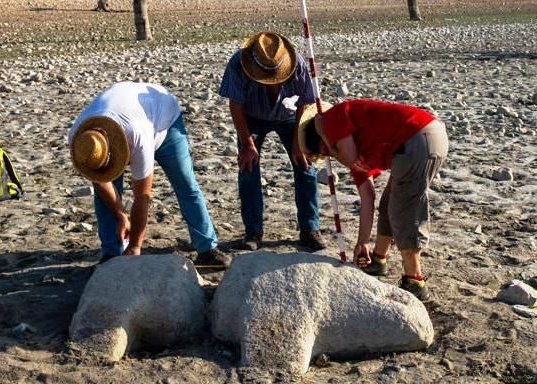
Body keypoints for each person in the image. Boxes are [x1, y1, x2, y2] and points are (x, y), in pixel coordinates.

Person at [298, 99, 448, 300]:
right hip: (418, 140)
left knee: (404, 209)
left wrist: (325, 134)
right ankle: (378, 259)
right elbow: (368, 197)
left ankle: (414, 280)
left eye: (325, 150)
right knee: (390, 202)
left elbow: (348, 158)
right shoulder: (353, 147)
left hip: (417, 138)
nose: (330, 155)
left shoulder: (331, 120)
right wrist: (362, 243)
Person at [69, 82, 230, 268]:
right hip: (127, 115)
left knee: (185, 183)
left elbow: (142, 198)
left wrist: (136, 246)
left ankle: (207, 249)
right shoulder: (81, 141)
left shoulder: (137, 136)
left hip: (164, 120)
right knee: (104, 197)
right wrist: (121, 215)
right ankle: (111, 254)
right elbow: (100, 181)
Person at [218, 31, 326, 251]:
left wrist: (298, 141)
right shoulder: (238, 64)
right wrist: (247, 144)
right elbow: (235, 106)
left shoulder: (297, 64)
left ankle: (309, 229)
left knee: (305, 166)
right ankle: (253, 232)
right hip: (251, 118)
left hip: (289, 117)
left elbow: (305, 103)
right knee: (248, 168)